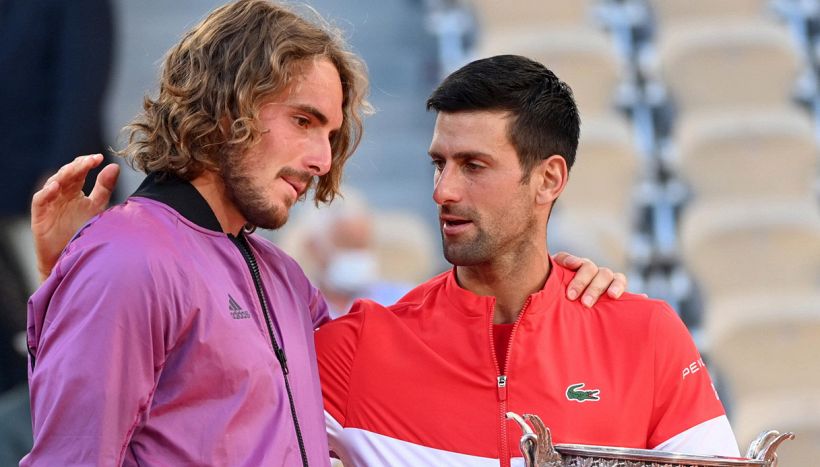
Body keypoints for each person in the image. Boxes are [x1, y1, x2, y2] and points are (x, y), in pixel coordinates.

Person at [25, 1, 624, 465]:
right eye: (303, 121)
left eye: (330, 135)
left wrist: (546, 291)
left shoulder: (282, 278)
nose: (319, 158)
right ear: (224, 104)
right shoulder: (127, 259)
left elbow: (411, 365)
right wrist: (78, 279)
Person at [314, 55, 740, 466]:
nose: (443, 191)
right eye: (439, 164)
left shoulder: (646, 336)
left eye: (473, 166)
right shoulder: (357, 349)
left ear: (548, 179)